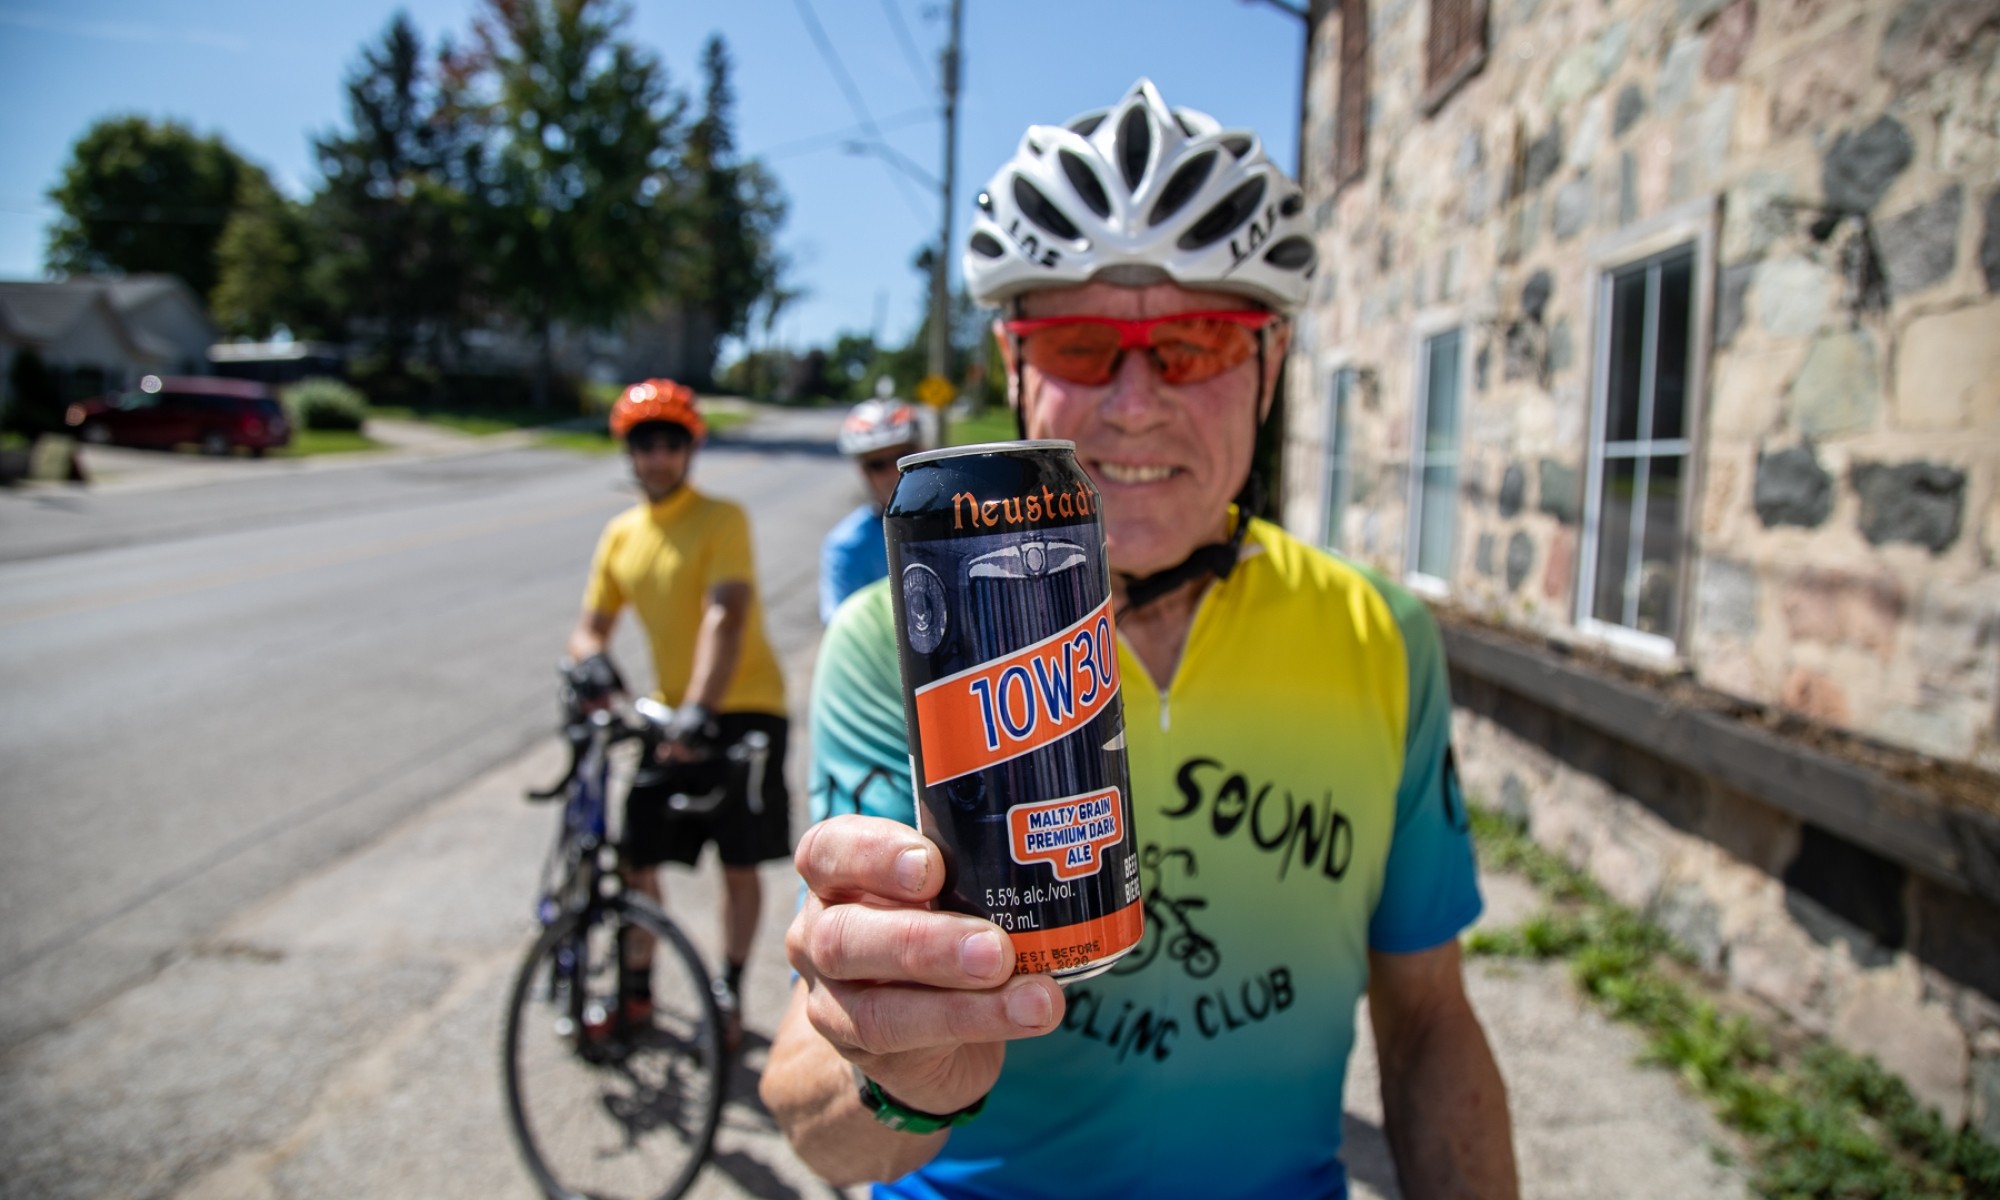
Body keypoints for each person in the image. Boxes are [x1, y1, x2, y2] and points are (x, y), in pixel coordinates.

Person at [760, 80, 1517, 1198]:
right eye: (1074, 342)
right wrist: (896, 1070)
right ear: (1013, 368)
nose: (1131, 403)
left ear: (1269, 366)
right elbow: (818, 1130)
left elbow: (1426, 1022)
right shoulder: (896, 640)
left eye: (1200, 341)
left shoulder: (1380, 633)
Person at [564, 379, 791, 1050]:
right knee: (637, 853)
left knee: (738, 863)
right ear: (628, 453)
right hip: (673, 718)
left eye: (671, 443)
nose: (658, 457)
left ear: (690, 449)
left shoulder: (722, 518)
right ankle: (637, 991)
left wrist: (700, 709)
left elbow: (727, 613)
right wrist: (590, 661)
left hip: (743, 707)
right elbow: (588, 628)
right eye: (645, 444)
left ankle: (726, 989)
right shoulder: (621, 533)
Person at [820, 394, 924, 623]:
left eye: (901, 458)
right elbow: (843, 633)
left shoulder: (959, 520)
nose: (892, 473)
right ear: (865, 472)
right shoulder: (847, 546)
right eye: (877, 465)